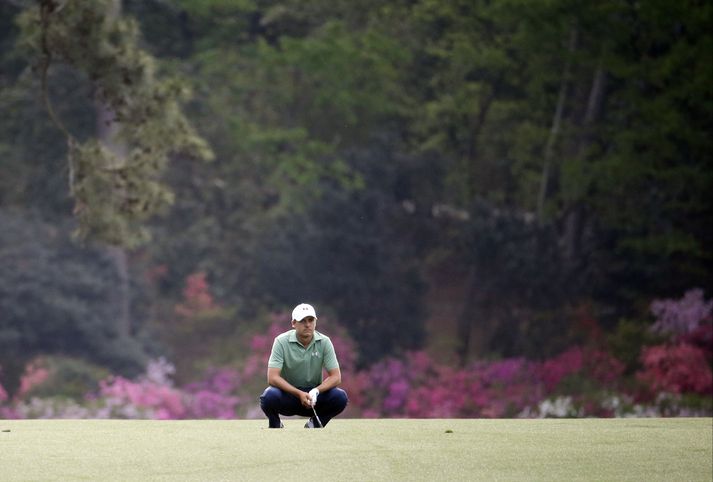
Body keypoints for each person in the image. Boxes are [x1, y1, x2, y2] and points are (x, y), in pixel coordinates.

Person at [259, 303, 348, 428]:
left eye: (311, 320)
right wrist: (298, 393)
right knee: (268, 397)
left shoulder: (324, 342)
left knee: (340, 397)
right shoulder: (281, 341)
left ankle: (315, 424)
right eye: (302, 321)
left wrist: (317, 391)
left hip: (313, 398)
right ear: (293, 323)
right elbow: (272, 378)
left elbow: (336, 377)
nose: (307, 324)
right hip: (288, 396)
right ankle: (275, 424)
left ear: (315, 322)